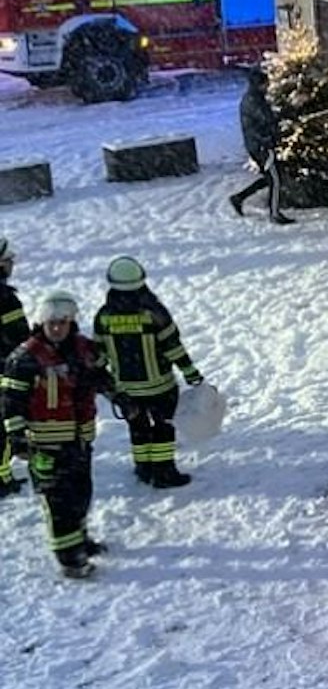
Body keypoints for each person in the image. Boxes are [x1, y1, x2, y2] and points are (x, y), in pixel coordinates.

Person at [2, 291, 113, 579]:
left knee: (80, 495)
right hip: (44, 445)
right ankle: (70, 559)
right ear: (42, 323)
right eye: (51, 322)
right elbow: (11, 401)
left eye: (62, 322)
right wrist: (17, 437)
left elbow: (101, 378)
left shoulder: (84, 350)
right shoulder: (25, 358)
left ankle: (79, 540)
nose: (56, 328)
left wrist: (122, 398)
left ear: (71, 322)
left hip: (79, 441)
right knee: (57, 501)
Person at [93, 256, 205, 489]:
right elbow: (173, 347)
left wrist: (104, 382)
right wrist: (190, 373)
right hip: (160, 385)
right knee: (163, 427)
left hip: (126, 388)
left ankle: (143, 468)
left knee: (138, 427)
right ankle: (164, 472)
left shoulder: (103, 316)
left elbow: (98, 354)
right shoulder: (154, 312)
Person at [229, 67, 294, 225]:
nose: (268, 86)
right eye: (266, 84)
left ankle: (239, 198)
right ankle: (274, 213)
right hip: (262, 146)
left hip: (258, 144)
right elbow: (267, 119)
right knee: (275, 179)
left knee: (270, 178)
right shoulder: (254, 101)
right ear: (259, 84)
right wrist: (286, 113)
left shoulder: (254, 98)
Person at [0, 237, 27, 496]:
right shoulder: (6, 299)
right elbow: (19, 340)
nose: (12, 264)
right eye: (8, 260)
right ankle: (2, 479)